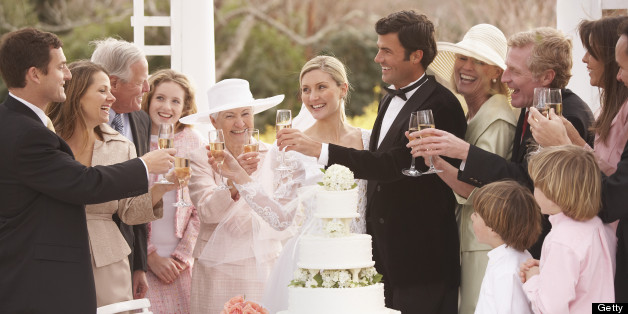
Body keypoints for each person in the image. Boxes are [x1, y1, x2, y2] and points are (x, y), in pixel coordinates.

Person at [279, 10, 466, 313]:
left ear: (416, 55)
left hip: (421, 262)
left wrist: (321, 150)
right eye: (378, 48)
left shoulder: (442, 105)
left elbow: (391, 165)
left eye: (386, 50)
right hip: (381, 259)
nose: (377, 58)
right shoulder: (389, 97)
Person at [0, 27, 173, 313]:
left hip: (76, 264)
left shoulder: (21, 123)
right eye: (61, 67)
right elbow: (82, 183)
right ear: (34, 74)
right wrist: (145, 165)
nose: (67, 75)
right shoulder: (29, 133)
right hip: (36, 270)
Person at [409, 27, 595, 259]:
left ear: (546, 77)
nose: (505, 78)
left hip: (552, 255)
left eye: (514, 71)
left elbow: (529, 185)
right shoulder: (531, 109)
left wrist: (465, 151)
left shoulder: (569, 116)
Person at [46, 60, 176, 307]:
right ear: (78, 94)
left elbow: (128, 212)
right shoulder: (47, 141)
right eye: (102, 90)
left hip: (108, 259)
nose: (112, 98)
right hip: (55, 253)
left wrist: (160, 189)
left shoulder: (122, 145)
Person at [253, 55, 370, 313]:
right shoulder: (294, 147)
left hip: (362, 258)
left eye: (321, 87)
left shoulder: (369, 141)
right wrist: (241, 180)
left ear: (343, 89)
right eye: (305, 90)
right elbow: (282, 219)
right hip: (311, 260)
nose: (312, 97)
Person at [183, 78, 303, 314]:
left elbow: (284, 216)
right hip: (215, 266)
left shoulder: (273, 155)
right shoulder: (200, 157)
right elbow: (207, 212)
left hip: (261, 263)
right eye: (229, 116)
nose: (240, 123)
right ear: (213, 121)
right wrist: (235, 182)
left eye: (245, 113)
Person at [427, 24, 517, 314]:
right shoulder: (473, 113)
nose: (466, 67)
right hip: (468, 239)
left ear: (496, 73)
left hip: (484, 244)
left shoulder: (498, 118)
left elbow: (482, 190)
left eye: (478, 61)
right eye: (463, 58)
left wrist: (434, 161)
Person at [541, 19, 628, 303]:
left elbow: (615, 189)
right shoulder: (611, 107)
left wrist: (564, 146)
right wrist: (576, 142)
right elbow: (608, 168)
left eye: (592, 52)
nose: (584, 59)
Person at [91, 37, 152, 299]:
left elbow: (136, 194)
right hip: (87, 251)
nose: (147, 88)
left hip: (126, 253)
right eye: (140, 82)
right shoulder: (73, 120)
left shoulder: (141, 119)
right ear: (113, 83)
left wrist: (139, 264)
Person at [521, 145, 615, 312]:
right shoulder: (599, 227)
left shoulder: (561, 241)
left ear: (553, 193)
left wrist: (533, 279)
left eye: (536, 185)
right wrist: (547, 267)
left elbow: (548, 309)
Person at [141, 69, 203, 313]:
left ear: (185, 107)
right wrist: (149, 256)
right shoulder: (135, 139)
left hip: (181, 264)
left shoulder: (193, 141)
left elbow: (200, 207)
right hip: (143, 261)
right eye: (160, 98)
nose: (167, 106)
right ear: (149, 100)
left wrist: (182, 256)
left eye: (175, 101)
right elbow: (127, 203)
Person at [471, 180, 541, 314]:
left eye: (476, 214)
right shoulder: (510, 259)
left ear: (493, 228)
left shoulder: (507, 271)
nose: (471, 217)